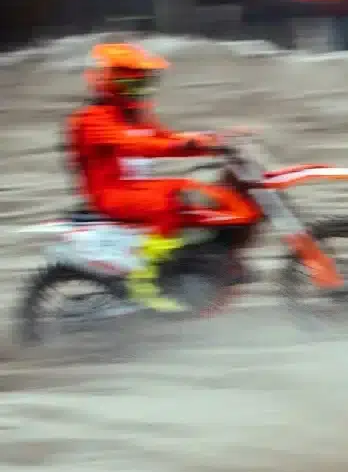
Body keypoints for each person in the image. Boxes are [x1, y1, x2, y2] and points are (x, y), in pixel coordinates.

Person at [64, 42, 253, 312]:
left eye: (142, 81)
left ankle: (194, 264)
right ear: (111, 80)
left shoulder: (135, 114)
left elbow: (164, 138)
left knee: (201, 192)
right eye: (133, 80)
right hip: (110, 193)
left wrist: (211, 141)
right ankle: (146, 281)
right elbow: (136, 146)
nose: (140, 87)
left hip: (136, 187)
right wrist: (186, 145)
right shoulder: (91, 119)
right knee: (168, 201)